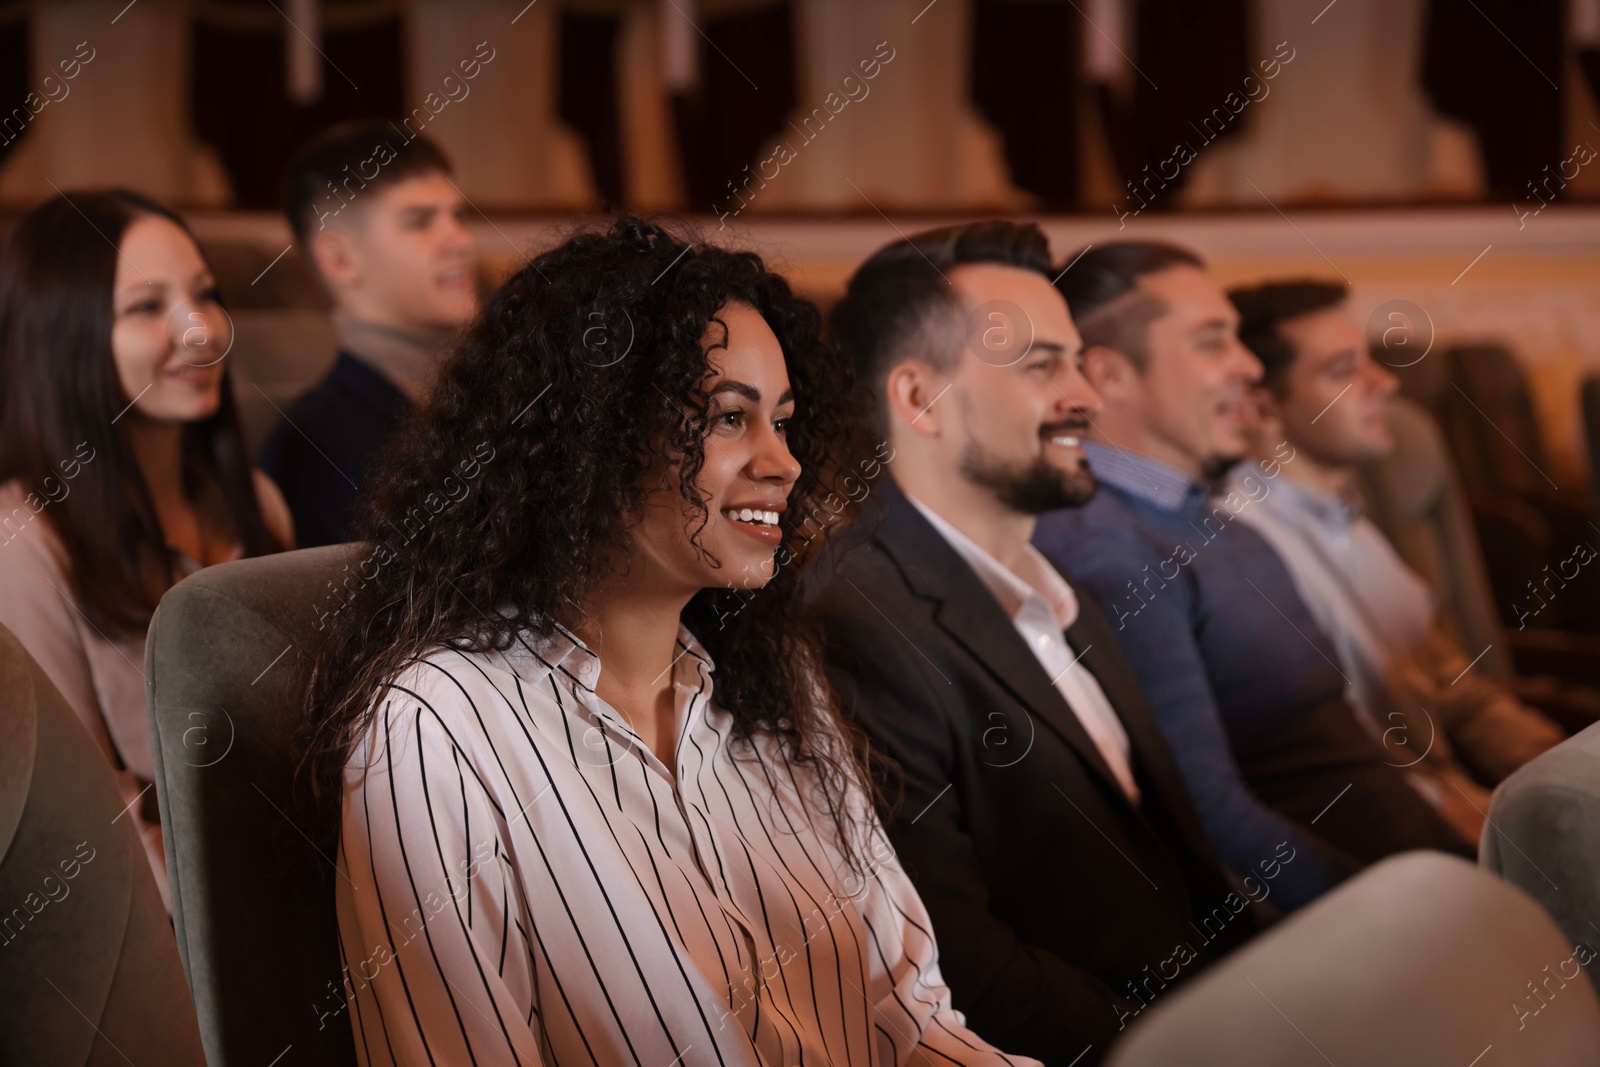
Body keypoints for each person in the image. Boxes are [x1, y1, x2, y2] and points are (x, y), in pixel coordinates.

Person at [299, 218, 1036, 1066]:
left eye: (785, 422)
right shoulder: (441, 728)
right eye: (729, 419)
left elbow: (911, 1025)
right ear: (590, 435)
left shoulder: (775, 682)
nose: (784, 462)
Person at [806, 221, 1269, 1066]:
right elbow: (966, 969)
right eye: (1041, 365)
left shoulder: (1063, 588)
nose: (1086, 396)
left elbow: (1178, 867)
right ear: (920, 400)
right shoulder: (854, 621)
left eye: (1081, 361)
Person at [1033, 241, 1473, 917]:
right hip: (1377, 926)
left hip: (1433, 875)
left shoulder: (1204, 516)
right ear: (1111, 375)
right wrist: (1403, 916)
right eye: (1213, 343)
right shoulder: (1107, 546)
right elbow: (1205, 813)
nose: (1246, 366)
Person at [0, 189, 295, 908]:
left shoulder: (255, 503)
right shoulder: (24, 539)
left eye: (204, 295)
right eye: (145, 307)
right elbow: (83, 817)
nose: (199, 330)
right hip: (160, 920)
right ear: (61, 337)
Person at [1225, 279, 1565, 793]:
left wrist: (1569, 782)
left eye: (1368, 361)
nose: (1384, 383)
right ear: (1262, 407)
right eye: (1344, 371)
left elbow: (1458, 692)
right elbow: (1350, 772)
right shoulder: (1243, 547)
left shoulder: (1347, 522)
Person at [259, 120, 480, 547]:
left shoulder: (494, 391)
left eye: (458, 217)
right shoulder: (316, 444)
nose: (460, 241)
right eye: (420, 222)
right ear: (339, 259)